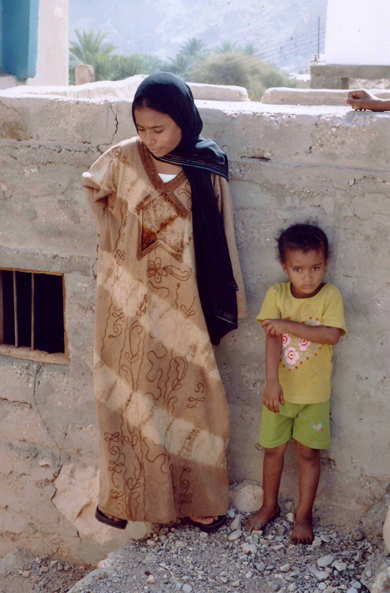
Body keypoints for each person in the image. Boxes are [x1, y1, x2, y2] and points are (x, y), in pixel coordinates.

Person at [82, 72, 247, 533]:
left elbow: (222, 239)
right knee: (128, 392)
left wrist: (228, 295)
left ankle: (199, 498)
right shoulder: (120, 159)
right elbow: (95, 192)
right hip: (126, 305)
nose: (148, 139)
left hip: (184, 305)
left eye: (159, 128)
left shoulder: (205, 167)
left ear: (184, 121)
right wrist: (119, 246)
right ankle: (124, 496)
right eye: (141, 128)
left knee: (192, 395)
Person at [246, 223, 346, 544]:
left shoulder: (330, 296)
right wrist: (271, 382)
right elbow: (272, 340)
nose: (307, 277)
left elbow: (331, 335)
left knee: (308, 455)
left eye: (315, 268)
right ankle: (269, 506)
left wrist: (288, 324)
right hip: (280, 394)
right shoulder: (276, 294)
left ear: (325, 264)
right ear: (284, 267)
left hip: (314, 397)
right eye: (298, 269)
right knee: (272, 451)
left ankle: (303, 515)